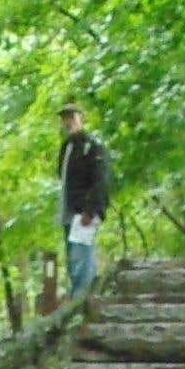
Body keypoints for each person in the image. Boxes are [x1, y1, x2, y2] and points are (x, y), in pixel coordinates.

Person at [56, 105, 111, 298]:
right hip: (68, 212)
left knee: (82, 258)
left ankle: (83, 301)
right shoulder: (67, 147)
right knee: (72, 260)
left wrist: (91, 210)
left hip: (84, 212)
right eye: (64, 118)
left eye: (71, 117)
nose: (68, 122)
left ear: (80, 118)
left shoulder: (91, 145)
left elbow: (100, 180)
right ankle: (78, 299)